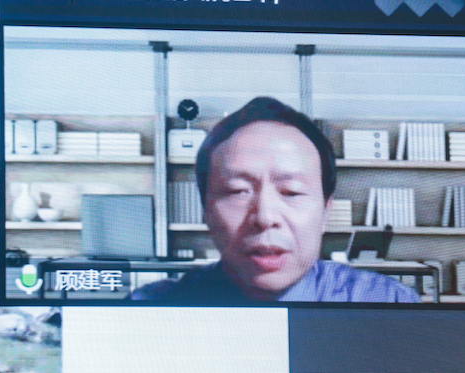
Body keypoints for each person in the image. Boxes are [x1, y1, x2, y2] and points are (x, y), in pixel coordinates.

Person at [131, 97, 420, 303]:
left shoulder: (389, 304)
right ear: (206, 210)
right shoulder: (153, 308)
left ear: (325, 211)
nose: (265, 217)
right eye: (237, 190)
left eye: (291, 192)